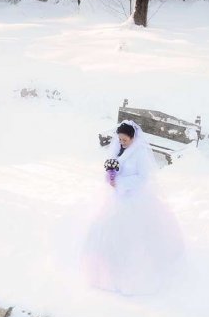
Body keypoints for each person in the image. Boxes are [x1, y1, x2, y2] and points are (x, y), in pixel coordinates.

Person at [80, 119, 186, 295]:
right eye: (119, 139)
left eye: (125, 140)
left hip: (133, 198)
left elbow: (143, 177)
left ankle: (131, 275)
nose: (121, 143)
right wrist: (110, 177)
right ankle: (104, 272)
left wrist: (121, 182)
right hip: (114, 198)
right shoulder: (117, 148)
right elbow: (111, 165)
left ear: (133, 138)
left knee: (132, 235)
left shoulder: (140, 153)